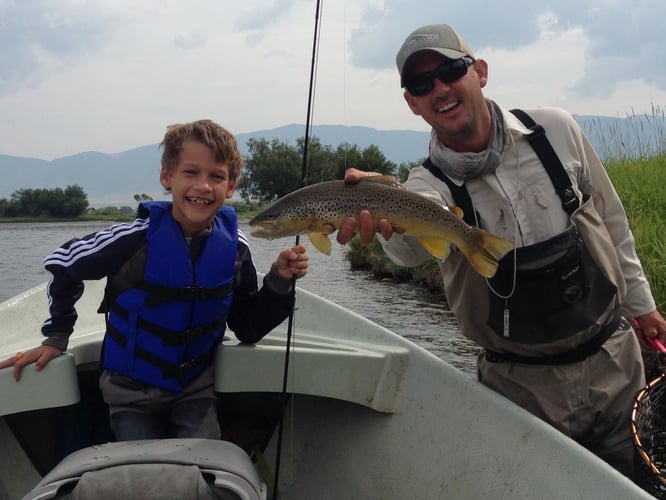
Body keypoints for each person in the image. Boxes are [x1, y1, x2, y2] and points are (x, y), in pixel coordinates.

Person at [336, 24, 666, 479]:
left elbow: (611, 219)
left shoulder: (555, 129)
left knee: (633, 484)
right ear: (412, 103)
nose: (440, 89)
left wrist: (642, 306)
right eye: (420, 84)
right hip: (519, 390)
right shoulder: (425, 185)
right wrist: (381, 205)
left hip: (615, 363)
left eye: (451, 70)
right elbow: (409, 253)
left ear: (481, 72)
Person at [0, 119, 309, 441]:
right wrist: (56, 336)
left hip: (195, 391)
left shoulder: (236, 248)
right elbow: (62, 266)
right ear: (167, 176)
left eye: (216, 176)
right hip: (129, 394)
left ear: (230, 186)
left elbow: (247, 327)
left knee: (202, 466)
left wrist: (279, 281)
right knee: (141, 470)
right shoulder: (132, 239)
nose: (203, 186)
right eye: (190, 172)